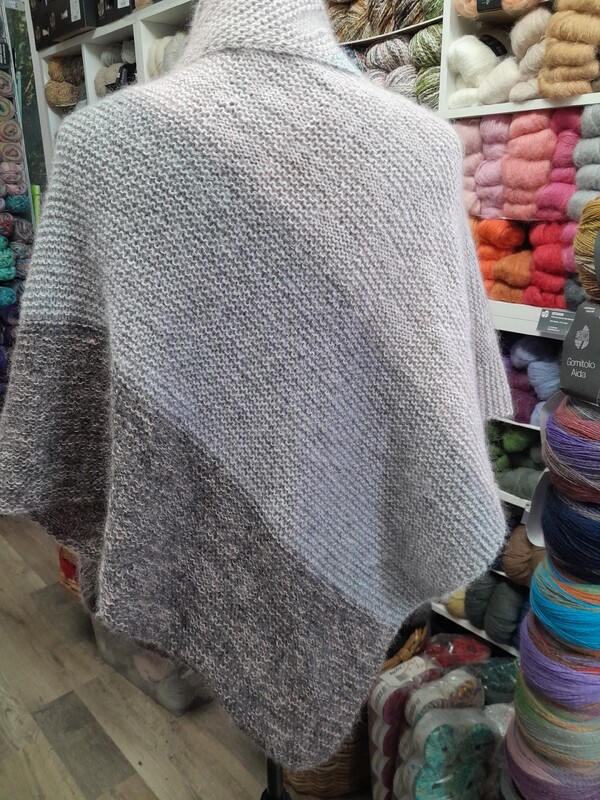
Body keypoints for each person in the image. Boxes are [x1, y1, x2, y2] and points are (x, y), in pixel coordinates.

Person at [0, 0, 511, 769]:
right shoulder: (103, 150)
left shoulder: (103, 142)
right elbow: (78, 384)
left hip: (345, 500)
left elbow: (431, 375)